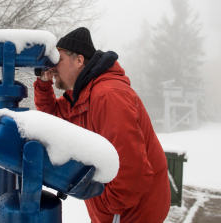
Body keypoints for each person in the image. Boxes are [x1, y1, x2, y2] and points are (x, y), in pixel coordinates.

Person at [33, 27, 170, 223]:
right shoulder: (82, 96)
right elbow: (52, 118)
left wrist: (105, 207)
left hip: (132, 213)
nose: (53, 67)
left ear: (79, 60)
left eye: (59, 60)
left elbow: (131, 172)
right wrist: (44, 83)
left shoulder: (108, 96)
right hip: (120, 211)